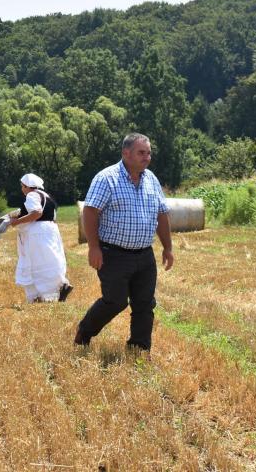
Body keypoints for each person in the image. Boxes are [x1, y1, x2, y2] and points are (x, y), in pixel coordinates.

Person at [75, 133, 174, 352]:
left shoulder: (151, 179)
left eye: (148, 153)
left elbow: (162, 214)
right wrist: (93, 247)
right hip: (113, 254)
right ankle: (85, 331)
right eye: (141, 152)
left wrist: (167, 247)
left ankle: (139, 348)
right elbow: (90, 212)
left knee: (145, 304)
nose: (146, 157)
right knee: (115, 301)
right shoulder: (107, 178)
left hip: (145, 255)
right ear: (125, 153)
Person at [7, 173, 72, 303]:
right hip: (51, 230)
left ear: (27, 186)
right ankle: (60, 285)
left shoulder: (32, 195)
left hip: (38, 233)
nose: (22, 189)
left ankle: (36, 297)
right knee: (51, 260)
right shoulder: (48, 197)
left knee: (35, 263)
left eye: (22, 186)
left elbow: (37, 213)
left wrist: (17, 222)